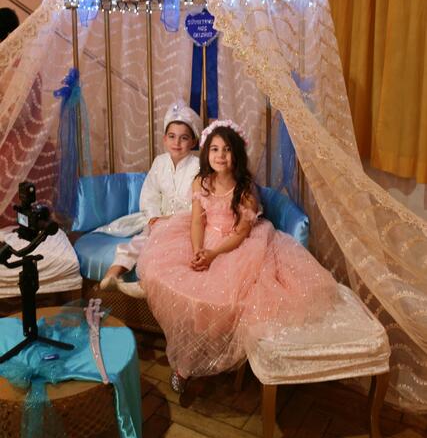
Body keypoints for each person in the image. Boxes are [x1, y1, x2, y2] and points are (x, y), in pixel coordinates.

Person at [137, 119, 339, 393]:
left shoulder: (244, 191)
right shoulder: (200, 182)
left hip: (233, 247)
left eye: (227, 149)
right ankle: (187, 360)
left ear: (237, 154)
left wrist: (213, 254)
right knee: (181, 290)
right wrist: (198, 250)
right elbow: (197, 221)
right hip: (202, 240)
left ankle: (206, 358)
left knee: (223, 299)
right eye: (215, 149)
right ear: (206, 153)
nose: (220, 156)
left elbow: (241, 234)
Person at [100, 100, 202, 293]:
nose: (177, 143)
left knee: (165, 248)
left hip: (184, 223)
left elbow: (200, 202)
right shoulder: (159, 162)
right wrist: (154, 217)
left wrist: (174, 219)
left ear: (194, 142)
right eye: (172, 137)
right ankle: (113, 273)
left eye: (183, 138)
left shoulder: (198, 166)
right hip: (158, 220)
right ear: (164, 139)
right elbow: (150, 194)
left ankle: (147, 284)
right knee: (140, 240)